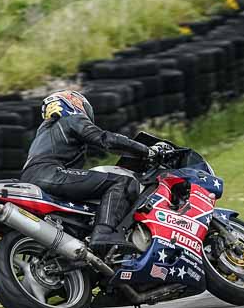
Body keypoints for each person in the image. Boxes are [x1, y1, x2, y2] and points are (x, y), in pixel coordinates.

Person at [20, 90, 153, 251]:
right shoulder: (71, 119)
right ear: (72, 102)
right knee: (122, 181)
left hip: (31, 177)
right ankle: (104, 234)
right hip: (50, 174)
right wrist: (147, 151)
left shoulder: (43, 132)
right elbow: (105, 139)